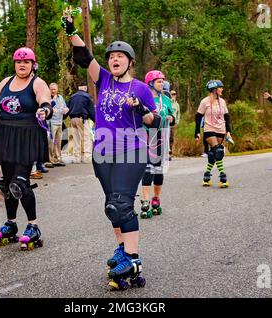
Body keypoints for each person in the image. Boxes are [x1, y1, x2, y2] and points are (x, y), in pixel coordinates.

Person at [62, 7, 160, 289]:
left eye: (120, 57)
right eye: (112, 57)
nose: (114, 60)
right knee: (111, 208)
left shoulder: (141, 88)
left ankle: (132, 257)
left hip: (132, 150)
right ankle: (121, 248)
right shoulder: (103, 78)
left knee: (121, 205)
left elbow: (155, 120)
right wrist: (71, 30)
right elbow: (85, 57)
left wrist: (141, 108)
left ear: (130, 62)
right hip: (103, 152)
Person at [0, 47, 53, 250]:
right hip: (5, 136)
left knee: (20, 183)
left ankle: (33, 226)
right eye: (18, 62)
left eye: (26, 62)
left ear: (33, 65)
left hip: (27, 137)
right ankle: (11, 223)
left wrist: (45, 111)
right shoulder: (5, 82)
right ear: (14, 64)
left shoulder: (37, 83)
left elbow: (46, 102)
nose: (22, 65)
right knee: (7, 185)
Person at [140, 70, 175, 219]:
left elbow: (173, 116)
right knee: (147, 169)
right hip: (145, 136)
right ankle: (145, 201)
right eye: (159, 81)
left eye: (162, 81)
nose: (162, 84)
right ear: (150, 83)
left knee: (158, 170)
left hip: (160, 136)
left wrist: (171, 117)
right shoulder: (143, 98)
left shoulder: (166, 99)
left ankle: (156, 198)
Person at [195, 80, 231, 188]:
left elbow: (227, 117)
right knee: (218, 151)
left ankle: (206, 177)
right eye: (220, 87)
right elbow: (198, 117)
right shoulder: (204, 102)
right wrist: (196, 132)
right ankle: (223, 177)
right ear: (214, 89)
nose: (222, 89)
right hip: (209, 129)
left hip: (221, 129)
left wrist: (228, 131)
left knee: (213, 154)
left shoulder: (222, 102)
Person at [67, 80, 95, 164]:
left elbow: (67, 108)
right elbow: (91, 110)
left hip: (73, 119)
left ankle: (77, 158)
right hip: (81, 119)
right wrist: (95, 120)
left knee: (76, 139)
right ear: (85, 88)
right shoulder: (87, 96)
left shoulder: (72, 96)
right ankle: (86, 158)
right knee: (86, 138)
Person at [169, 90, 181, 158]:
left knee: (171, 138)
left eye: (175, 94)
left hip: (173, 124)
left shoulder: (177, 104)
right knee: (166, 137)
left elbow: (178, 113)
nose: (174, 95)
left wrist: (177, 121)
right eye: (173, 94)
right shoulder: (168, 102)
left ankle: (171, 152)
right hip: (167, 123)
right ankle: (166, 152)